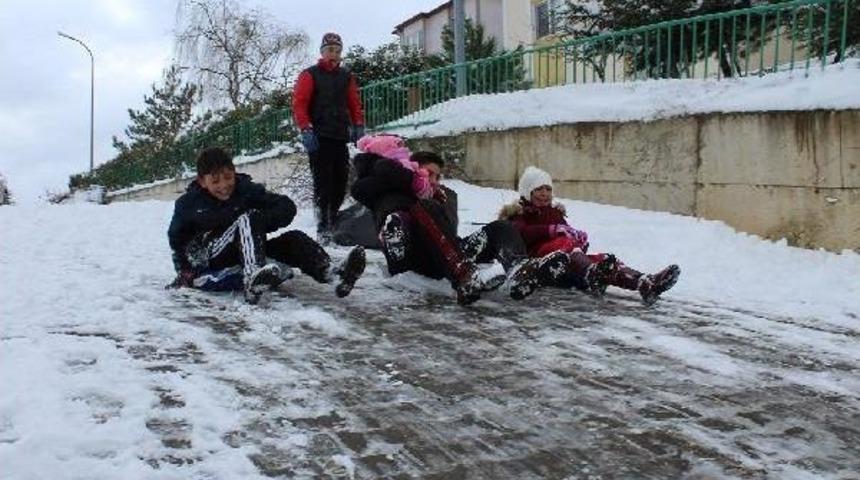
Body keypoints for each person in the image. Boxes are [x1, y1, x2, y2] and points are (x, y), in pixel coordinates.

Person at [350, 135, 568, 305]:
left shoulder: (440, 196)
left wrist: (437, 198)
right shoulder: (395, 194)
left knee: (500, 228)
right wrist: (410, 183)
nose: (435, 182)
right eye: (429, 175)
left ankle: (518, 270)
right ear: (413, 172)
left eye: (438, 176)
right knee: (424, 208)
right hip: (422, 258)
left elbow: (449, 231)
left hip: (449, 249)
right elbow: (363, 189)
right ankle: (463, 275)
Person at [167, 147, 366, 304]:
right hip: (212, 254)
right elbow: (177, 238)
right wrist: (185, 269)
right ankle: (252, 275)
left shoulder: (245, 190)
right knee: (247, 218)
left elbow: (286, 206)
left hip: (247, 247)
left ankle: (333, 274)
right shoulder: (189, 204)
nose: (224, 185)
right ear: (202, 182)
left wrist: (262, 222)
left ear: (234, 173)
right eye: (215, 181)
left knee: (293, 238)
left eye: (228, 177)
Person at [499, 166, 680, 305]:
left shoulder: (555, 213)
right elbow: (520, 234)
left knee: (602, 260)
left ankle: (644, 283)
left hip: (567, 264)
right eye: (539, 189)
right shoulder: (519, 213)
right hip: (540, 264)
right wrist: (552, 231)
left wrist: (579, 240)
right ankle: (591, 273)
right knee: (563, 242)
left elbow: (571, 246)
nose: (545, 193)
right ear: (527, 192)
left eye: (548, 189)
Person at [292, 32, 366, 243]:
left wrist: (358, 124)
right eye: (330, 50)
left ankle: (332, 220)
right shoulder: (310, 75)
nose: (334, 54)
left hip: (339, 135)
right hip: (319, 136)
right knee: (322, 184)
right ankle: (322, 227)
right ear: (322, 52)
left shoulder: (346, 76)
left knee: (340, 182)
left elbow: (353, 102)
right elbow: (300, 103)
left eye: (338, 50)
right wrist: (305, 128)